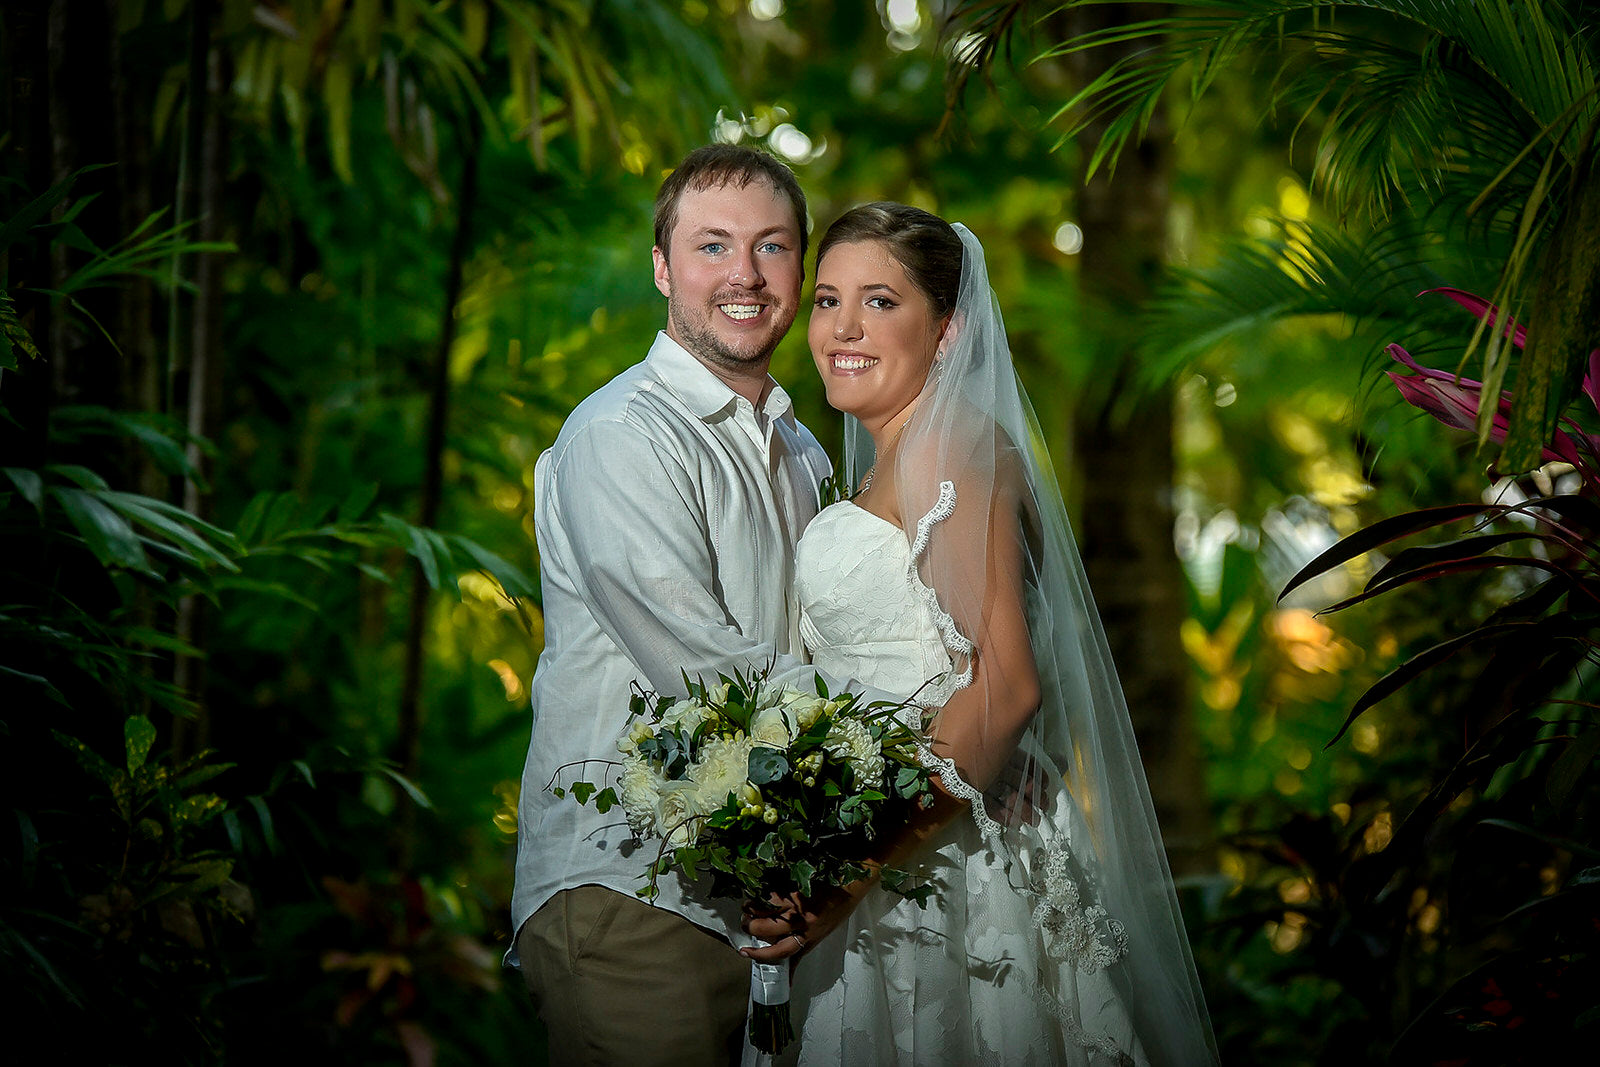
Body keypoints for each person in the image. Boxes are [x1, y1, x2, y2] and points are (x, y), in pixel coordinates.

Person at [740, 204, 1218, 1065]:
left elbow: (1006, 685)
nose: (842, 328)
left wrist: (846, 872)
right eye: (827, 299)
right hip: (900, 838)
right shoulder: (896, 457)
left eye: (881, 302)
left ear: (949, 329)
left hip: (932, 864)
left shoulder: (947, 446)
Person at [509, 146, 885, 1066]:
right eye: (712, 246)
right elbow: (707, 670)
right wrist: (926, 758)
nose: (745, 276)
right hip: (632, 896)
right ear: (662, 269)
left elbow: (834, 643)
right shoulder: (620, 435)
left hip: (769, 899)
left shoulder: (803, 450)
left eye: (772, 247)